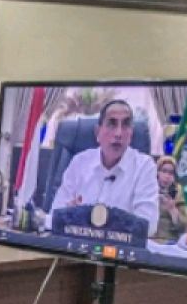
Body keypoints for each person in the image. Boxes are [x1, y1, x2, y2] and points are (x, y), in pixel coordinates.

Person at [50, 100, 159, 234]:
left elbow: (148, 226)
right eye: (111, 124)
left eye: (125, 125)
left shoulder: (144, 166)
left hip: (120, 251)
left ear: (131, 133)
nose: (119, 133)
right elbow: (55, 215)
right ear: (98, 132)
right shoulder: (80, 162)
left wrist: (81, 216)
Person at [153, 155, 187, 243]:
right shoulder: (148, 188)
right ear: (157, 172)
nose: (167, 176)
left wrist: (172, 210)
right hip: (148, 238)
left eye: (171, 173)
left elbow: (183, 228)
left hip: (168, 240)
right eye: (164, 171)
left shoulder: (177, 192)